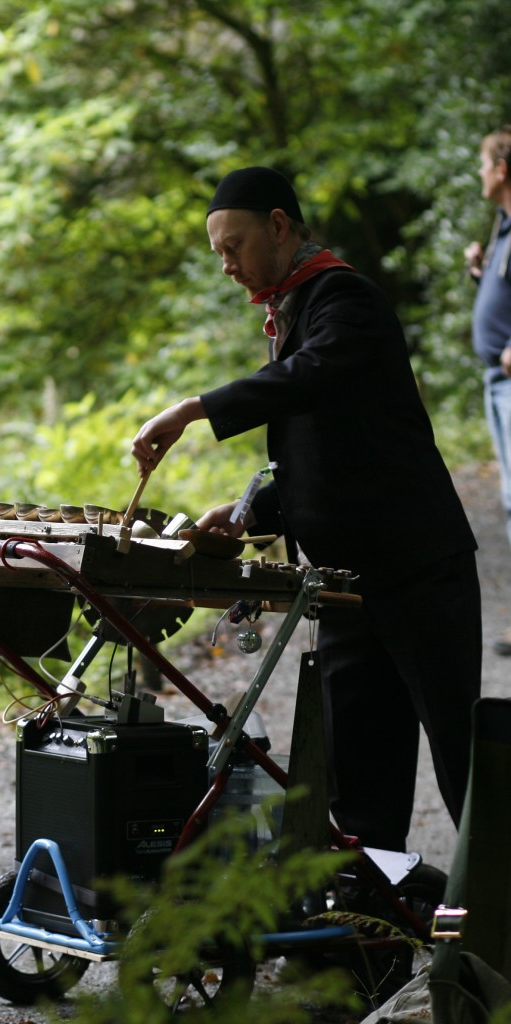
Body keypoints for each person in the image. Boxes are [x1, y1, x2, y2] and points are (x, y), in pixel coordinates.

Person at [131, 167, 482, 853]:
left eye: (233, 246)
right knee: (357, 772)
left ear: (279, 226)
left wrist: (194, 409)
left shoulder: (342, 297)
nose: (227, 266)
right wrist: (245, 513)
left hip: (417, 571)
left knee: (464, 761)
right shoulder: (292, 308)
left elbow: (313, 374)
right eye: (218, 254)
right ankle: (369, 931)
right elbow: (327, 453)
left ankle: (494, 916)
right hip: (347, 586)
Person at [465, 126, 511, 657]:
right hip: (496, 381)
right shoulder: (503, 224)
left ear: (502, 168)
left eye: (483, 164)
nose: (479, 173)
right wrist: (482, 272)